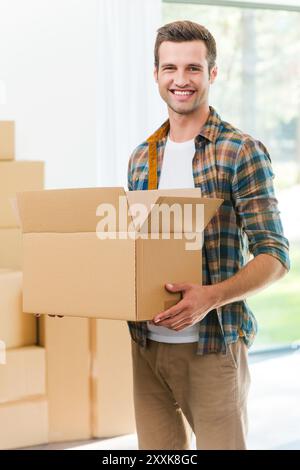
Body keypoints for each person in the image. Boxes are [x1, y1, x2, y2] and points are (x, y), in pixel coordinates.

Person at [127, 20, 289, 450]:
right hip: (146, 347)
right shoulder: (142, 158)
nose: (181, 80)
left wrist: (212, 296)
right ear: (156, 74)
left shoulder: (239, 151)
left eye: (193, 69)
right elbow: (133, 250)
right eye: (170, 68)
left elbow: (274, 255)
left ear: (212, 73)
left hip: (213, 346)